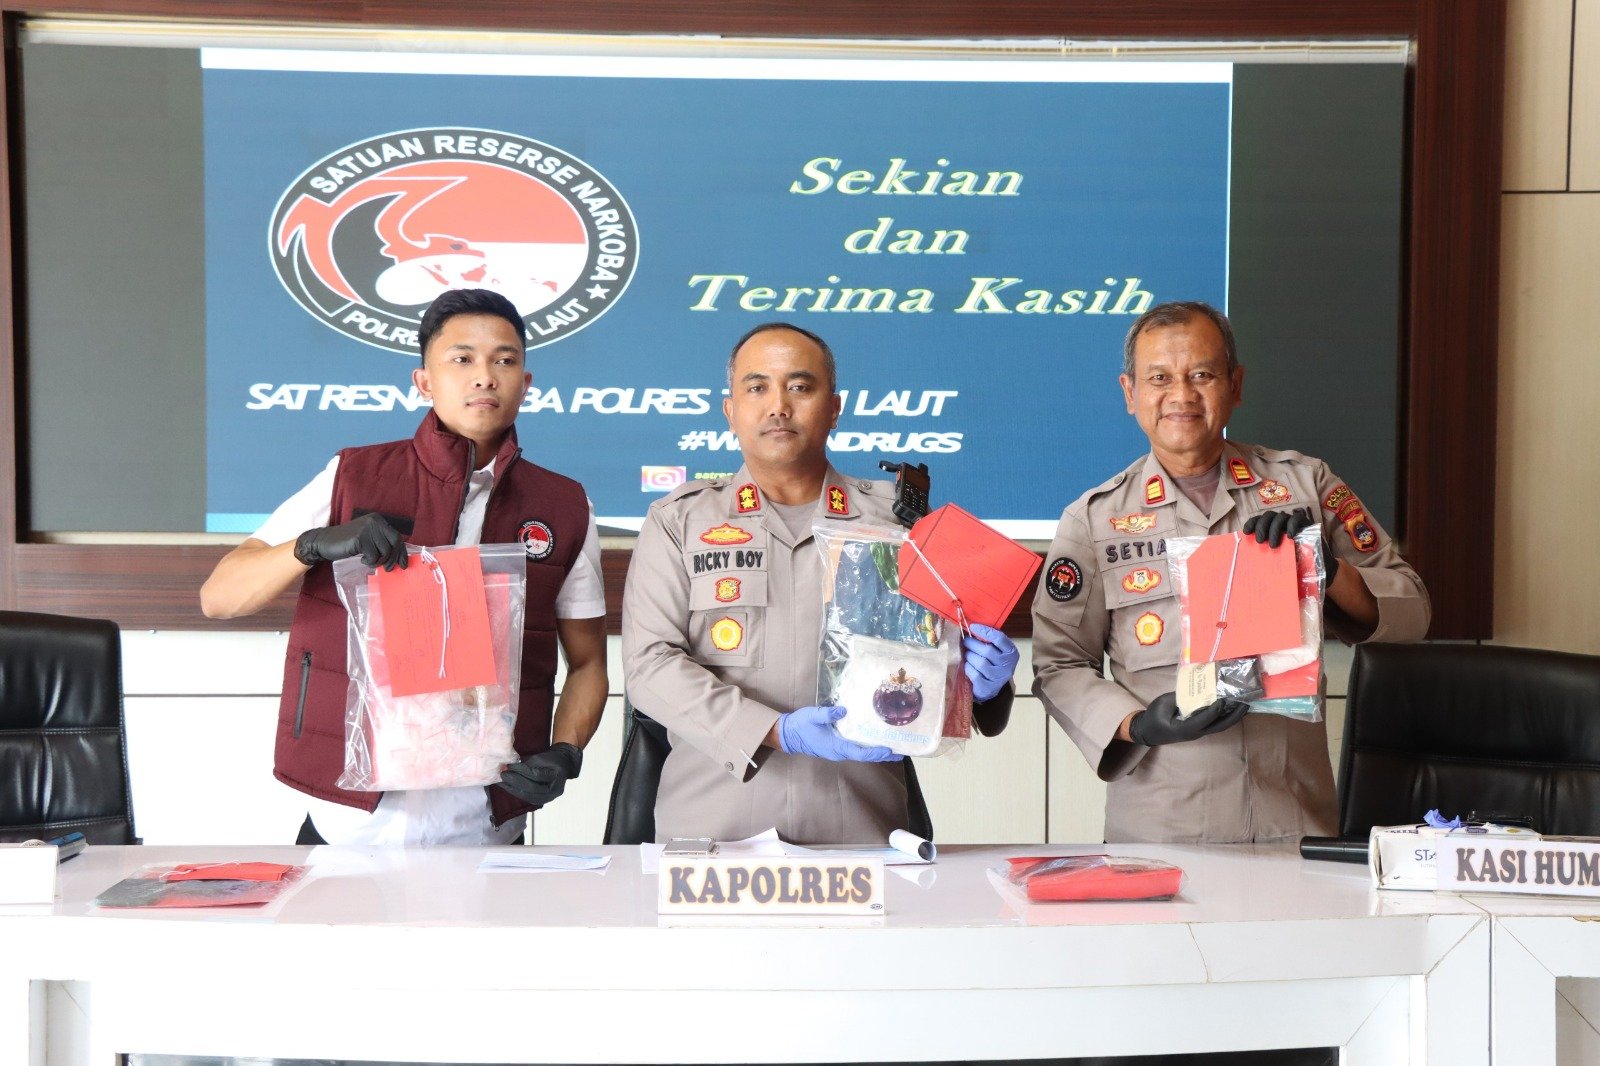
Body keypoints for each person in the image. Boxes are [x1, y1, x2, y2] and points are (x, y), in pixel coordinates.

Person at [200, 288, 607, 845]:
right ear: (424, 382)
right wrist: (313, 545)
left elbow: (588, 664)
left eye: (504, 360)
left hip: (487, 826)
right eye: (461, 359)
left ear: (526, 382)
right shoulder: (354, 475)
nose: (484, 376)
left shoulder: (563, 505)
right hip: (348, 825)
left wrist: (567, 751)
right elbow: (219, 597)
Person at [1032, 301, 1430, 845]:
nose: (1182, 395)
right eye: (1159, 378)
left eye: (1202, 375)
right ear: (1130, 393)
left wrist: (1328, 567)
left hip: (1295, 821)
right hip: (1161, 830)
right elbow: (1058, 664)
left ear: (1235, 385)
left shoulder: (1306, 486)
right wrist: (1137, 724)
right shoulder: (1093, 520)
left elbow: (1412, 611)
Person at [622, 322, 1019, 845]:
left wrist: (981, 684)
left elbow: (941, 672)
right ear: (730, 410)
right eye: (757, 387)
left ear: (834, 408)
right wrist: (777, 731)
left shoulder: (900, 524)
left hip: (862, 832)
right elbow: (650, 666)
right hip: (713, 836)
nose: (778, 406)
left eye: (800, 387)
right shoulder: (679, 521)